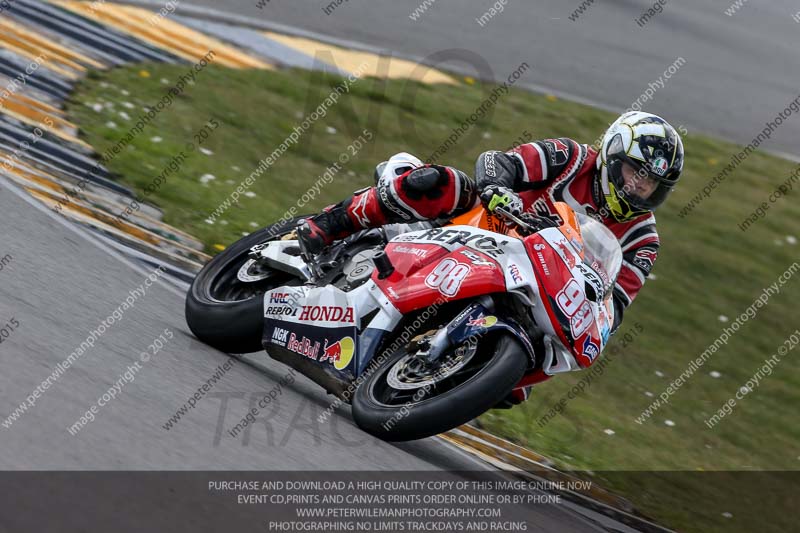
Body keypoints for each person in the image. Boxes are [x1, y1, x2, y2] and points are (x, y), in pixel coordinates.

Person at [297, 111, 684, 404]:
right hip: (481, 231)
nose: (638, 186)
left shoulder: (642, 239)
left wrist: (599, 317)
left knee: (516, 390)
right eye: (635, 171)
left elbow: (615, 305)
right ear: (612, 157)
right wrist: (498, 188)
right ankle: (325, 227)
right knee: (438, 184)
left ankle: (451, 367)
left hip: (535, 287)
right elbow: (499, 162)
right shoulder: (571, 157)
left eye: (650, 183)